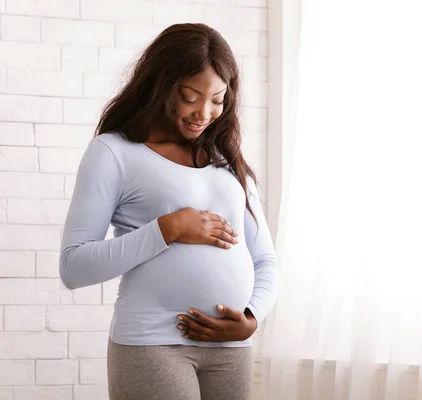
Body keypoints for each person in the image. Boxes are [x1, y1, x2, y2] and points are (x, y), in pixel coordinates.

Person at [59, 23, 279, 400]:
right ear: (160, 85)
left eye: (218, 99)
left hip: (231, 350)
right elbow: (73, 267)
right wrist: (167, 228)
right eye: (190, 96)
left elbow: (265, 261)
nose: (204, 112)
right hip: (151, 345)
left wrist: (251, 318)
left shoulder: (229, 163)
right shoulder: (114, 152)